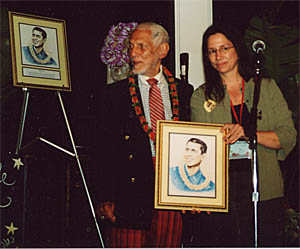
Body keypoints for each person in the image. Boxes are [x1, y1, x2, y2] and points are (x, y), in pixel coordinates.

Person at [183, 23, 297, 247]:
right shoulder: (200, 96)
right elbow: (199, 145)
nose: (218, 56)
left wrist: (248, 133)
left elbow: (288, 136)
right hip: (219, 194)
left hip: (263, 189)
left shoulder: (267, 87)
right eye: (212, 51)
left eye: (224, 48)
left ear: (238, 50)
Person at [92, 22, 193, 247]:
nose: (133, 53)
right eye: (131, 47)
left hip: (172, 195)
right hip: (130, 197)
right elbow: (103, 150)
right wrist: (105, 197)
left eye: (141, 47)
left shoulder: (185, 92)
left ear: (162, 50)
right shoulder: (114, 95)